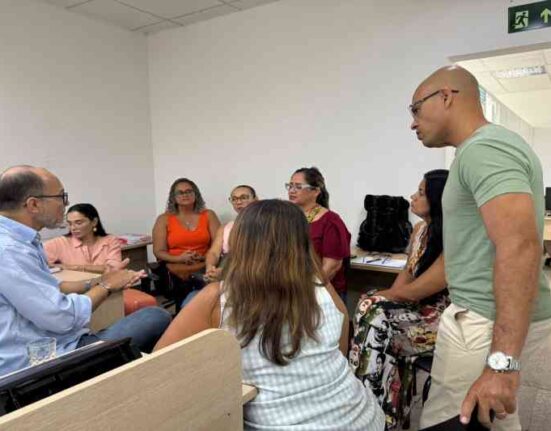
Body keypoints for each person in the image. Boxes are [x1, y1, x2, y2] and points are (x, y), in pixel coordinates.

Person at [154, 200, 385, 430]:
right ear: (301, 241)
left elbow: (156, 366)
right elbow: (341, 347)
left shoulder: (218, 298)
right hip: (363, 417)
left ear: (240, 241)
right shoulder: (320, 285)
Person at [410, 66, 551, 430]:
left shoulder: (485, 148)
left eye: (415, 109)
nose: (412, 123)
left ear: (445, 96)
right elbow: (464, 253)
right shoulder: (477, 151)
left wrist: (501, 363)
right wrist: (399, 292)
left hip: (483, 324)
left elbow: (519, 246)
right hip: (484, 320)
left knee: (446, 422)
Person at [0, 166, 172, 377]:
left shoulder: (21, 241)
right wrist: (106, 286)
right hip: (42, 361)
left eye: (79, 221)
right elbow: (61, 317)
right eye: (61, 196)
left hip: (53, 342)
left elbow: (54, 288)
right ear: (33, 204)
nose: (66, 204)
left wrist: (99, 281)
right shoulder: (10, 249)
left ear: (94, 223)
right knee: (155, 317)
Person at [349, 169, 449, 431]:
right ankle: (384, 412)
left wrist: (380, 298)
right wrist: (382, 297)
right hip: (412, 312)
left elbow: (417, 291)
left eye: (420, 192)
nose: (412, 197)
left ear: (438, 199)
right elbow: (406, 274)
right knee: (373, 309)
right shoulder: (418, 230)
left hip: (437, 321)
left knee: (373, 312)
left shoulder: (453, 236)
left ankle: (362, 396)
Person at [44, 203, 157, 315]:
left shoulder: (110, 240)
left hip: (109, 289)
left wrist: (72, 267)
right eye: (70, 223)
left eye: (79, 223)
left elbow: (111, 269)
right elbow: (36, 260)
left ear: (94, 222)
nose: (73, 228)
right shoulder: (60, 242)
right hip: (78, 293)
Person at [152, 178, 220, 305]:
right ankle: (184, 316)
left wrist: (204, 257)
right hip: (175, 266)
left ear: (196, 194)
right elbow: (158, 251)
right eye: (180, 192)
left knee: (210, 286)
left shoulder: (209, 215)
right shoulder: (164, 219)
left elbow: (218, 245)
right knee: (187, 294)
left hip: (204, 263)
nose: (185, 195)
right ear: (174, 197)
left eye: (189, 191)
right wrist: (180, 258)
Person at [287, 167, 351, 301]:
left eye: (298, 187)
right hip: (290, 288)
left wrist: (306, 291)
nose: (291, 191)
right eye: (290, 186)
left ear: (315, 191)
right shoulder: (287, 217)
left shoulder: (331, 221)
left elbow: (332, 266)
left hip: (319, 292)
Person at [204, 184, 257, 282]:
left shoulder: (264, 225)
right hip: (223, 268)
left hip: (247, 274)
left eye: (243, 198)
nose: (239, 202)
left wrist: (226, 272)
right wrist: (210, 268)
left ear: (255, 199)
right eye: (234, 199)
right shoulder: (226, 227)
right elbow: (214, 252)